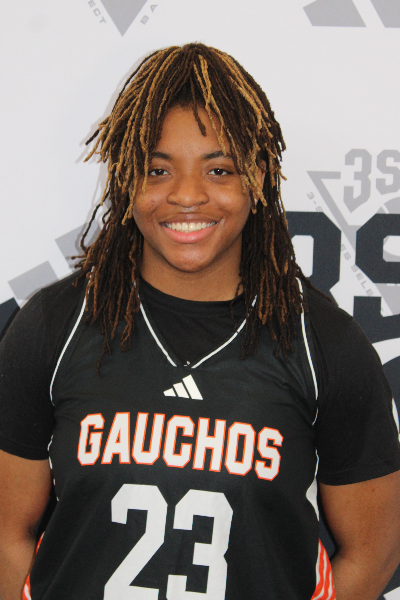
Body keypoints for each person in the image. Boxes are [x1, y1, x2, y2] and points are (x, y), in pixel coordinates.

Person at [0, 43, 400, 600]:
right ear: (126, 177)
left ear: (258, 176)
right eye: (157, 170)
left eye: (219, 169)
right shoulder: (54, 326)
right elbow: (6, 534)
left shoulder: (322, 343)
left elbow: (374, 553)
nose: (187, 195)